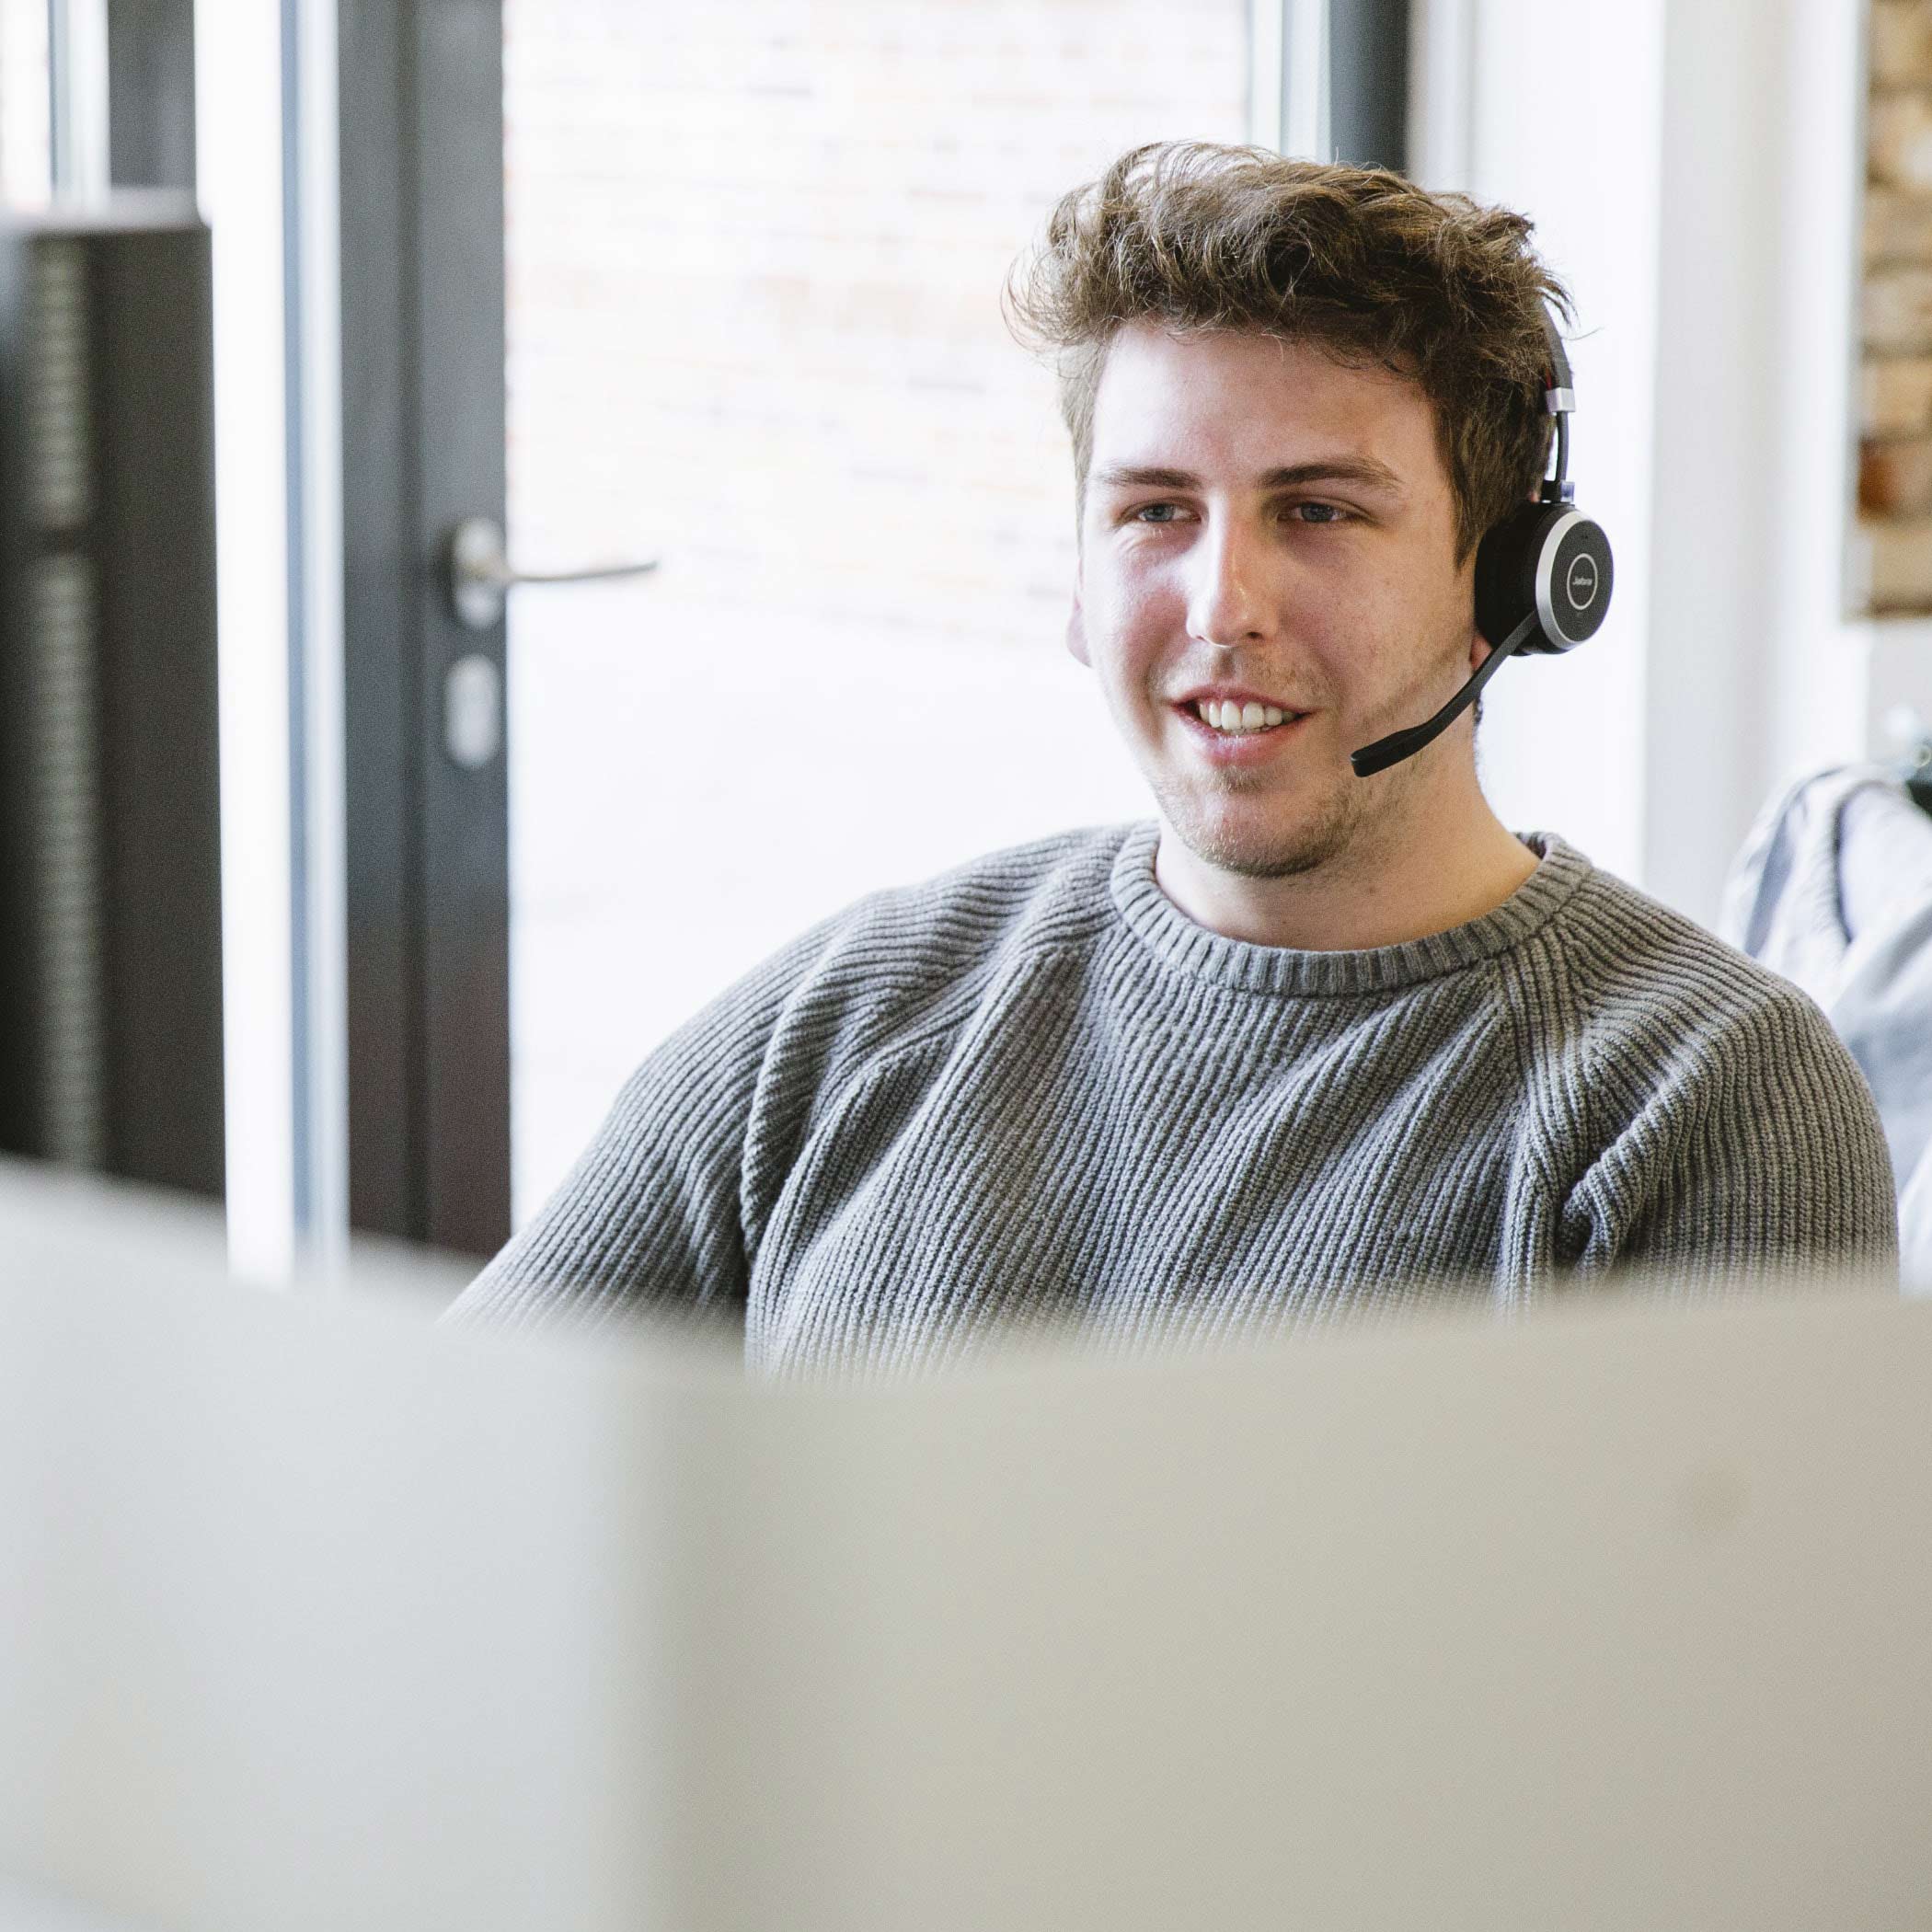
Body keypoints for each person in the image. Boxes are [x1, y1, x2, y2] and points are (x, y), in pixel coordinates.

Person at [445, 142, 1898, 1373]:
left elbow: (1730, 1699)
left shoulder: (1705, 1099)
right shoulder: (853, 1013)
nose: (1222, 606)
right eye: (1153, 511)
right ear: (1079, 580)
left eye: (1318, 512)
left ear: (1512, 584)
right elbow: (438, 1475)